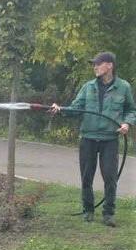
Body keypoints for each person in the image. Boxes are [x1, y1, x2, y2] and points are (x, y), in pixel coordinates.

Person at [51, 51, 134, 226]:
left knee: (110, 178)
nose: (94, 67)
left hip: (110, 139)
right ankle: (88, 210)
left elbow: (131, 110)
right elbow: (76, 108)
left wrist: (127, 123)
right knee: (86, 177)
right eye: (94, 64)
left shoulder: (123, 87)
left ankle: (108, 214)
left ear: (109, 65)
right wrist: (61, 110)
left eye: (98, 63)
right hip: (88, 138)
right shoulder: (88, 87)